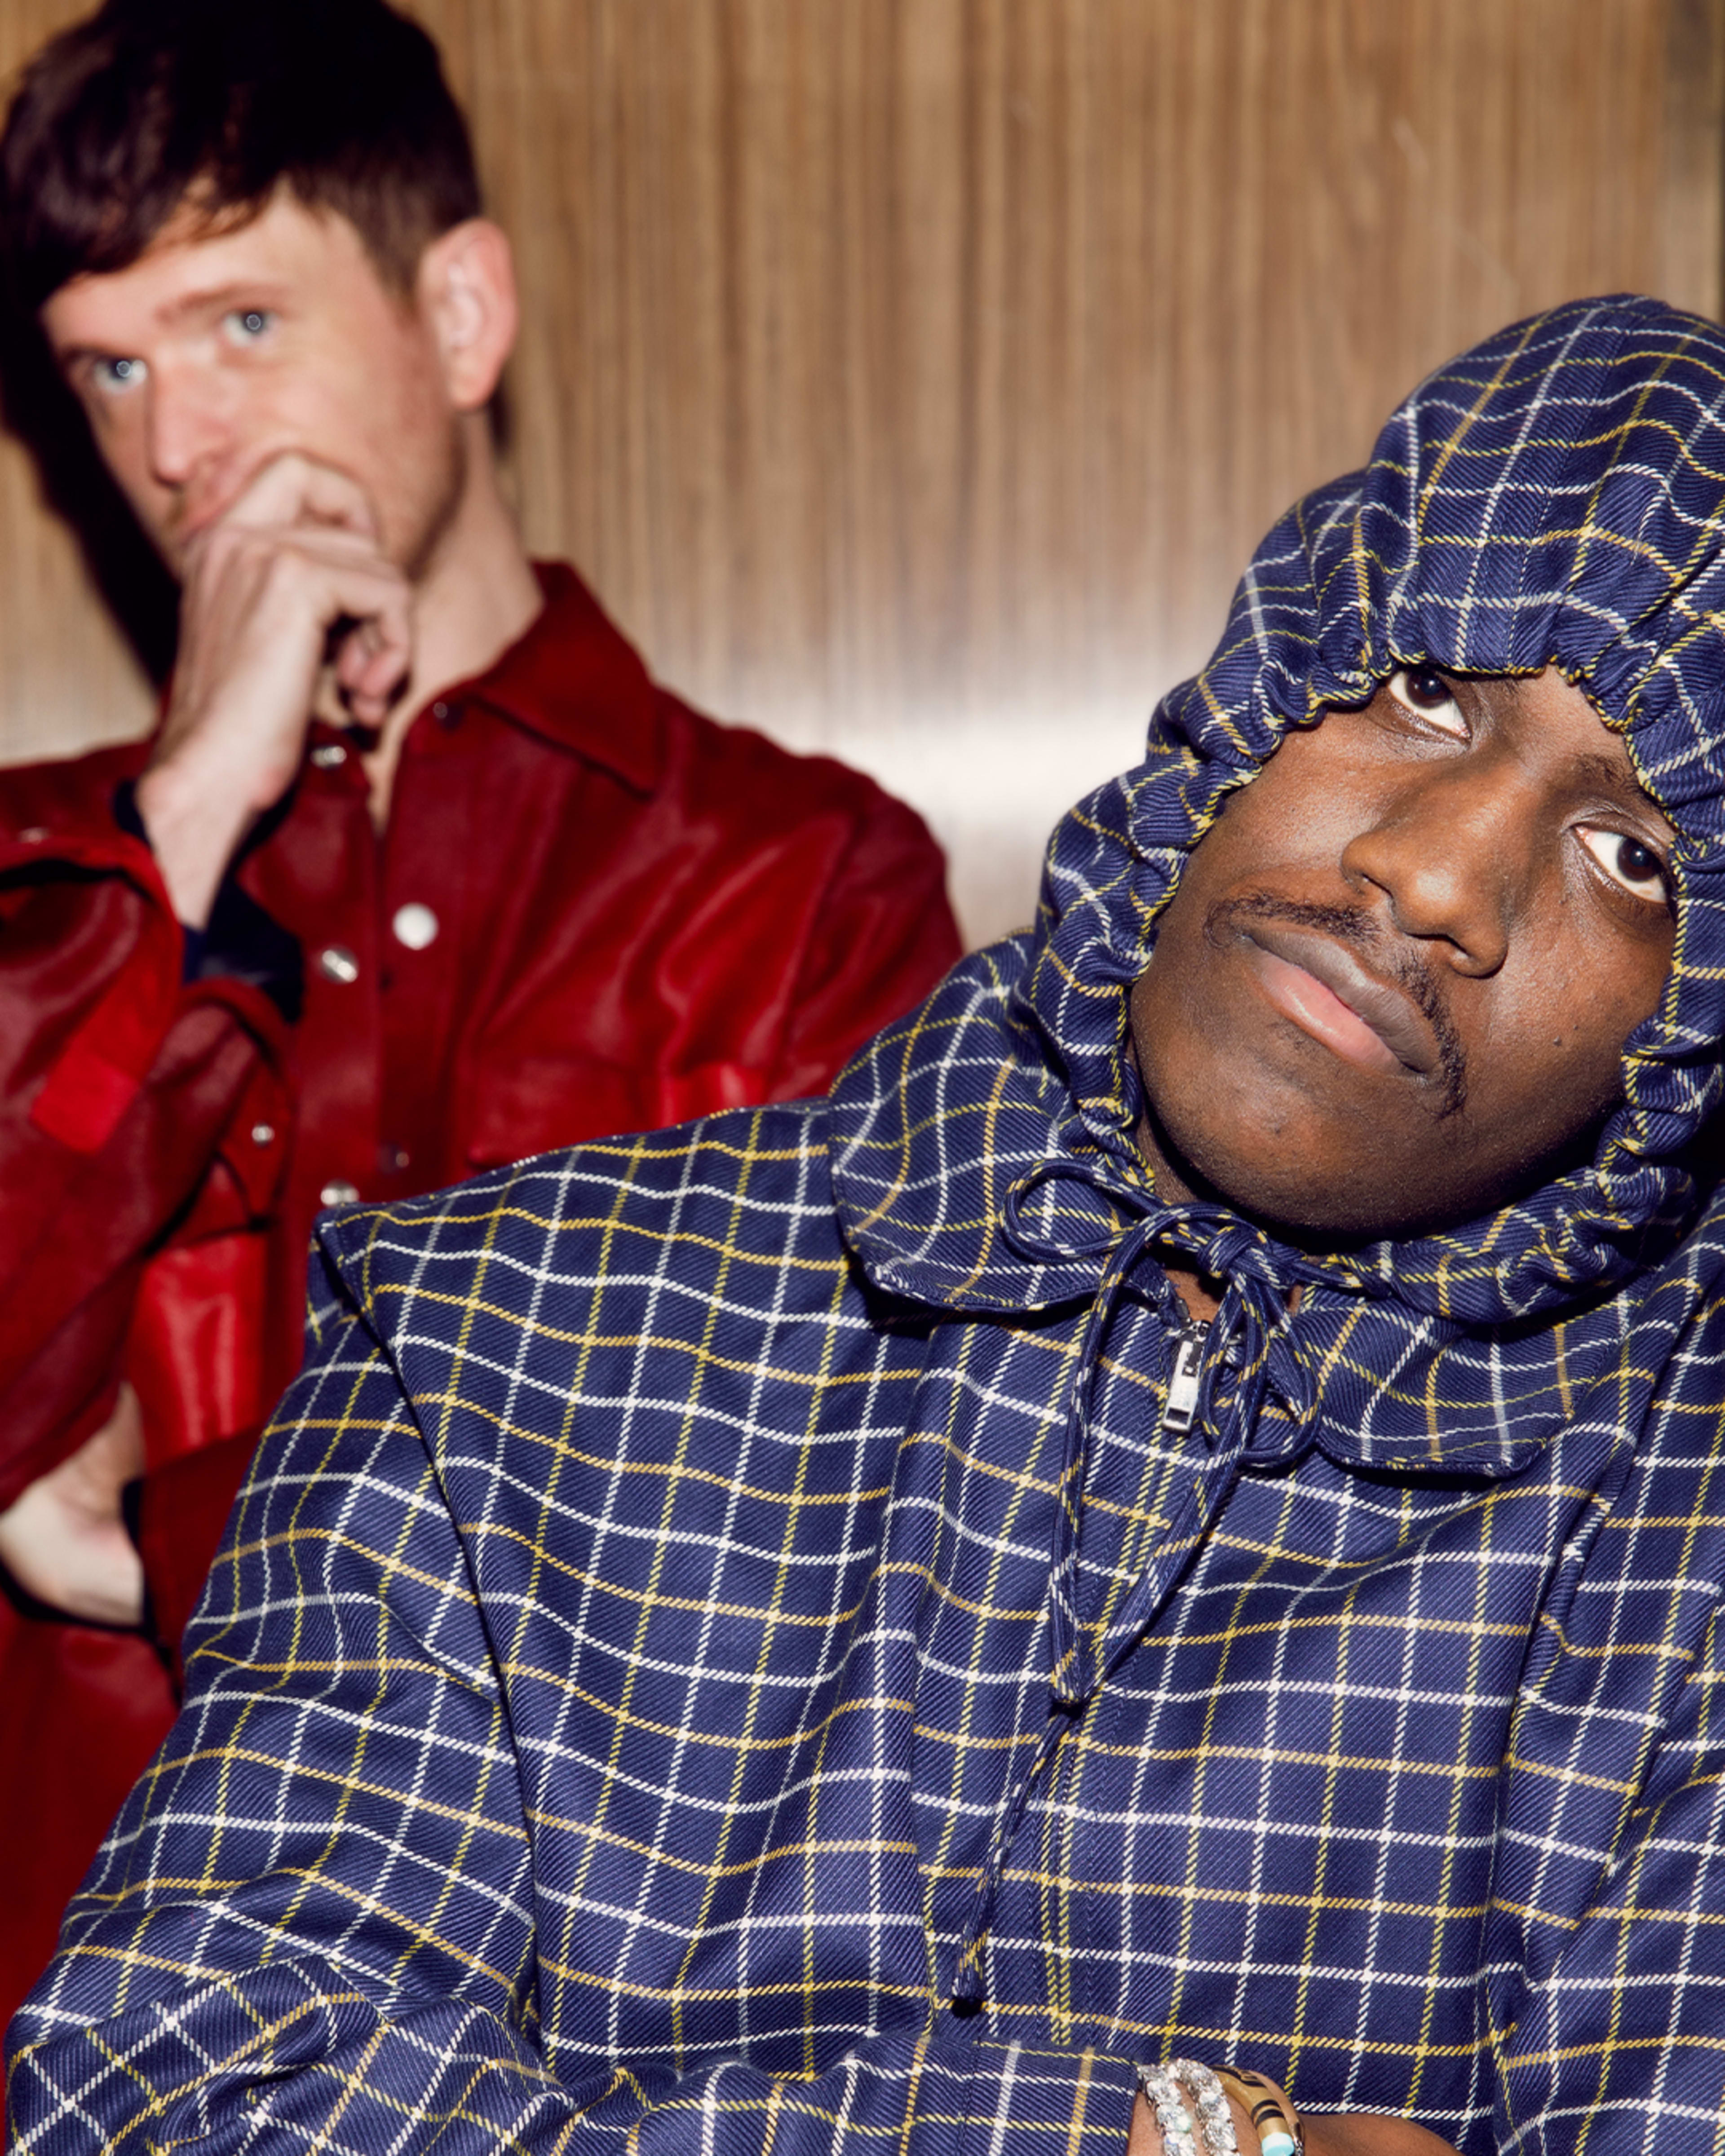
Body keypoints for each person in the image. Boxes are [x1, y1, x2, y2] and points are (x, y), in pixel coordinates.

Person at [14, 292, 1725, 2156]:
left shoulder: (1678, 1548)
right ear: (1271, 667)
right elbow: (170, 2101)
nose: (1435, 871)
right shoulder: (495, 1327)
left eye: (1633, 856)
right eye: (1422, 687)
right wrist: (1150, 2147)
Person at [0, 0, 961, 2032]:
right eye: (111, 365)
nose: (176, 449)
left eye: (242, 327)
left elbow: (836, 1538)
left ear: (461, 316)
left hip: (614, 2064)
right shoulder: (37, 893)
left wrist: (159, 1547)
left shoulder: (795, 880)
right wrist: (181, 820)